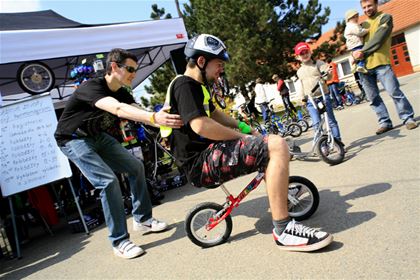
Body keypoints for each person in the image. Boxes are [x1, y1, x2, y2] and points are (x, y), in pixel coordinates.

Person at [164, 34, 333, 252]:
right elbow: (201, 126)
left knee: (268, 148)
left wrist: (247, 129)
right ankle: (283, 230)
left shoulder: (199, 87)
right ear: (201, 61)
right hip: (200, 163)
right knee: (276, 145)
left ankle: (282, 202)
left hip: (207, 155)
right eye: (218, 64)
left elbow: (216, 114)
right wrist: (244, 138)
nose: (221, 70)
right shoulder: (184, 85)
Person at [54, 48, 183, 259]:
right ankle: (120, 241)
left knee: (136, 167)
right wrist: (153, 118)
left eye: (136, 69)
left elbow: (137, 109)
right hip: (73, 139)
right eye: (130, 69)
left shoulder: (121, 90)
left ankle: (142, 219)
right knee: (108, 182)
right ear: (114, 66)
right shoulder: (91, 87)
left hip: (97, 137)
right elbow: (118, 109)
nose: (134, 73)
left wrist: (161, 116)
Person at [353, 0, 418, 134]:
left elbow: (379, 38)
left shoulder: (385, 18)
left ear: (376, 4)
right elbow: (353, 43)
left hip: (381, 62)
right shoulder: (361, 25)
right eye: (364, 7)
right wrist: (354, 53)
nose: (367, 9)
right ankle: (385, 122)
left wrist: (362, 52)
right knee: (373, 98)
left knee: (394, 92)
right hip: (364, 68)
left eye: (370, 5)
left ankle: (408, 118)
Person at [294, 42, 343, 143]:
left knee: (331, 120)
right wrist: (302, 98)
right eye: (302, 54)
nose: (305, 55)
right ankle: (322, 145)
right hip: (311, 100)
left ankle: (338, 142)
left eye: (306, 52)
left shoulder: (318, 63)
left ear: (310, 52)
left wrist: (328, 74)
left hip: (323, 96)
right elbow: (301, 86)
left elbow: (327, 75)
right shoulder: (299, 71)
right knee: (316, 123)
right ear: (298, 57)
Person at [344, 9, 369, 74]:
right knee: (361, 54)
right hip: (356, 43)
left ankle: (354, 65)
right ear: (349, 19)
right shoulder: (352, 25)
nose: (356, 18)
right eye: (354, 17)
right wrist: (367, 30)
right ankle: (361, 66)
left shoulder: (348, 26)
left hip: (352, 45)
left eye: (357, 16)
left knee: (356, 54)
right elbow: (359, 32)